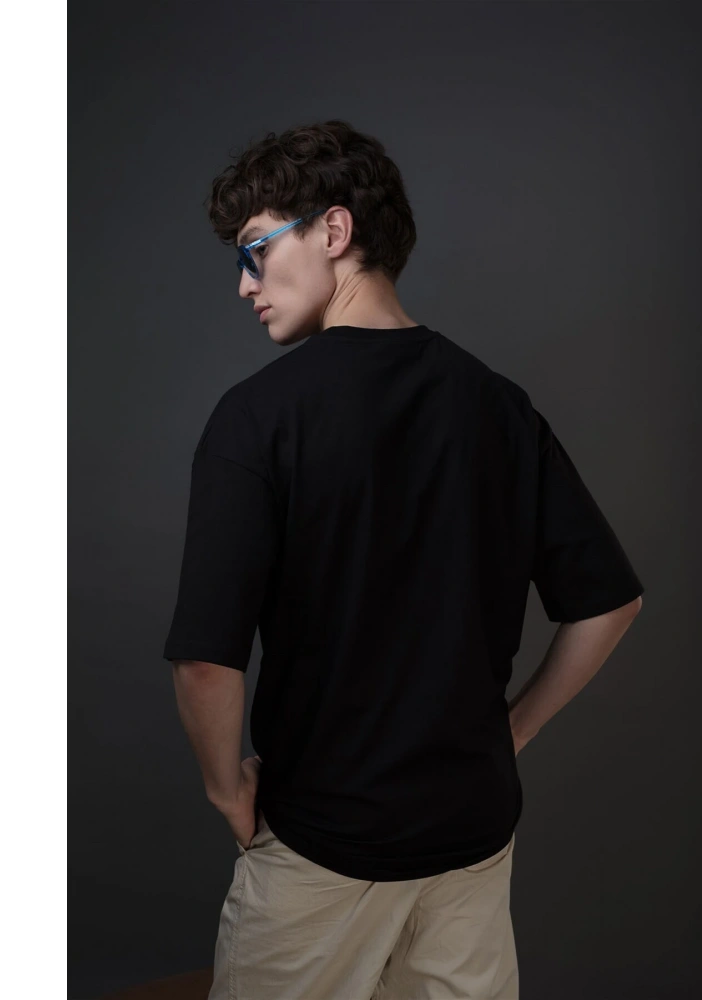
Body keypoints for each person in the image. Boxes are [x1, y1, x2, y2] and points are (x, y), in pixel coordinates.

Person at [163, 119, 644, 1000]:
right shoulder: (501, 408)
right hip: (472, 842)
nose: (245, 284)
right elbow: (609, 601)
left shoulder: (257, 418)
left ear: (333, 230)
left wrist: (227, 791)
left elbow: (204, 661)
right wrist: (514, 732)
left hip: (322, 848)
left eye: (256, 250)